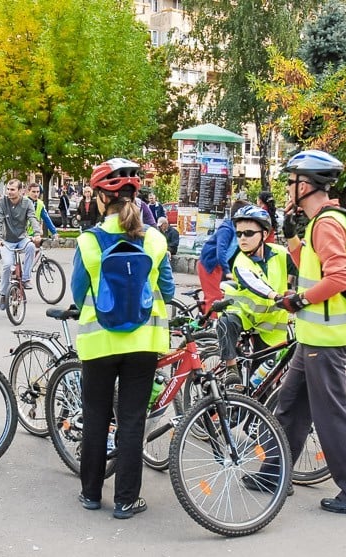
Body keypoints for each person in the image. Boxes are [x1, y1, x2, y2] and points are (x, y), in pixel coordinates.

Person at [273, 149, 346, 516]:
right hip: (314, 336)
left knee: (331, 416)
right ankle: (275, 473)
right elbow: (312, 266)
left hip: (326, 337)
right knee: (291, 407)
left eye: (290, 182)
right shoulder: (318, 222)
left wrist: (299, 300)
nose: (287, 189)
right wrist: (291, 239)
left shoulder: (327, 223)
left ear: (306, 185)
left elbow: (338, 277)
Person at [72, 158, 174, 519]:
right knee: (132, 421)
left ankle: (90, 493)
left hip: (98, 343)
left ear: (102, 198)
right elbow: (169, 287)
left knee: (97, 416)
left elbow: (77, 292)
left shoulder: (88, 242)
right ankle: (127, 500)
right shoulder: (157, 239)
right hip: (144, 343)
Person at [216, 205, 294, 387]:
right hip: (244, 315)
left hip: (272, 326)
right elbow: (255, 283)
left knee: (261, 384)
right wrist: (275, 296)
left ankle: (250, 407)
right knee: (225, 322)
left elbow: (304, 266)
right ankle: (231, 369)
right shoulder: (240, 262)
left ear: (264, 234)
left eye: (249, 233)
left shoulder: (280, 253)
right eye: (239, 234)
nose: (242, 238)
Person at [0, 179, 41, 310]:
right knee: (8, 265)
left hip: (21, 238)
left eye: (12, 189)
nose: (9, 192)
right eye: (8, 189)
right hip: (6, 240)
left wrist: (37, 234)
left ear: (21, 191)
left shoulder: (27, 203)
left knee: (31, 246)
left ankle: (25, 279)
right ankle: (3, 294)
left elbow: (32, 218)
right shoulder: (2, 203)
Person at [197, 204, 240, 311]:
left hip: (219, 266)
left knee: (221, 297)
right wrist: (227, 271)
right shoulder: (226, 229)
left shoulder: (239, 231)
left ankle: (204, 320)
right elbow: (221, 250)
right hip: (210, 265)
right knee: (215, 298)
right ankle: (211, 325)